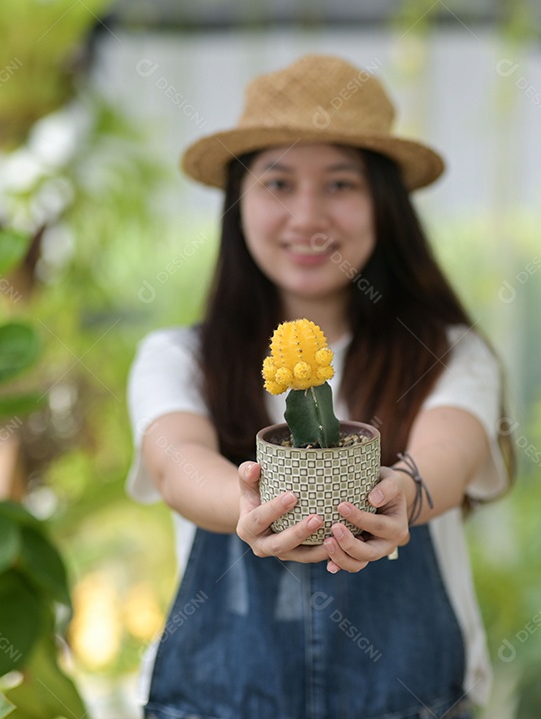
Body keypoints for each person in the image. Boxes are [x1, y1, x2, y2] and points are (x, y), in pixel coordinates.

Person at [126, 54, 515, 719]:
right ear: (238, 203)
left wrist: (403, 497)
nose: (308, 216)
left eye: (340, 184)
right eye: (277, 183)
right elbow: (175, 462)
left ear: (384, 204)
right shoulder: (177, 357)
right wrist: (249, 507)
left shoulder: (451, 353)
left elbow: (450, 450)